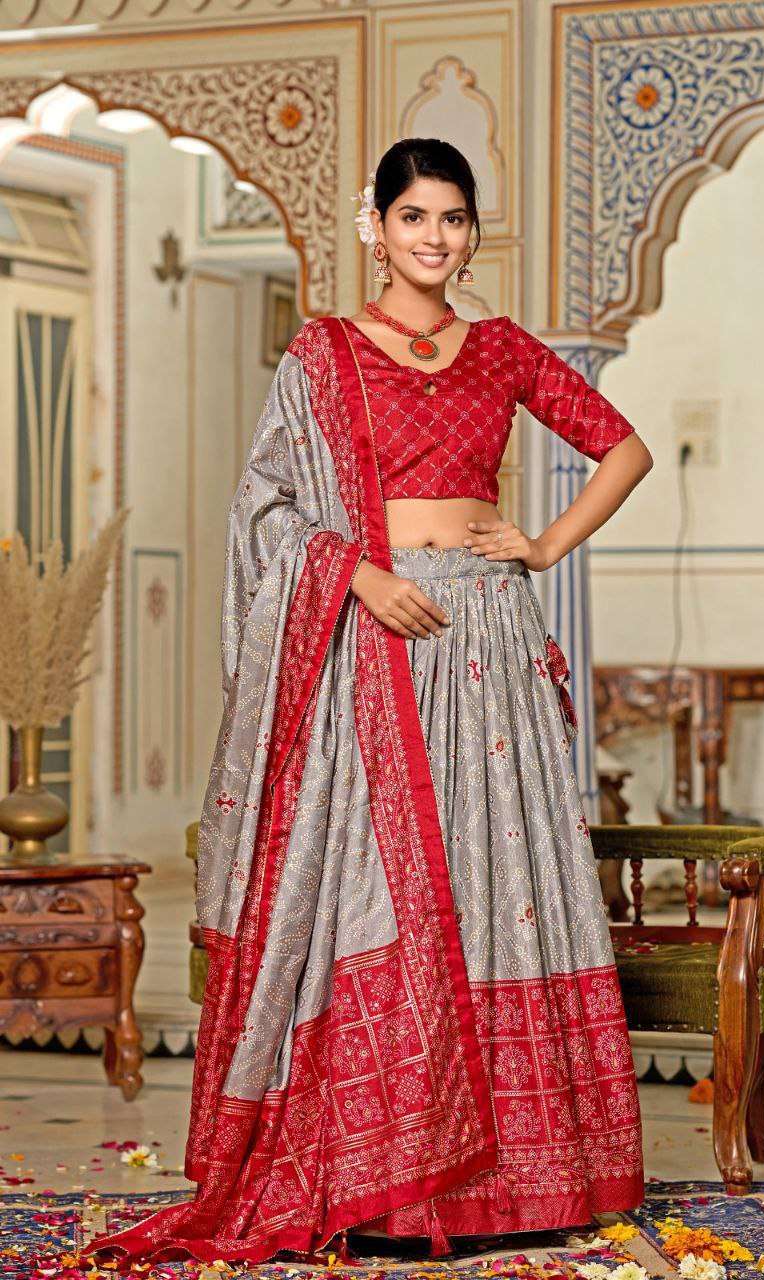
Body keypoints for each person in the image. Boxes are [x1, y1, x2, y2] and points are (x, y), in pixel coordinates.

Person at [82, 137, 653, 1268]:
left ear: (471, 232)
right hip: (377, 640)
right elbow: (266, 506)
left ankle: (516, 1178)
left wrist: (540, 546)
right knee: (368, 889)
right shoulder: (325, 352)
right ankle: (379, 1173)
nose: (435, 237)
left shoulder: (503, 349)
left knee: (498, 883)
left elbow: (623, 450)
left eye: (453, 218)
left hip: (486, 638)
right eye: (414, 217)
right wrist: (356, 575)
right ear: (376, 227)